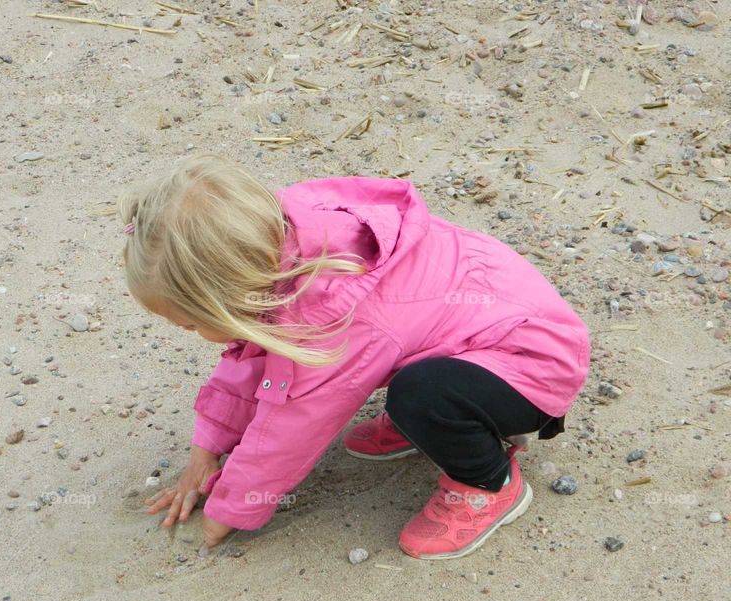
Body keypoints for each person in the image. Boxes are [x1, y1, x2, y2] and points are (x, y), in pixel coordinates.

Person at [118, 153, 590, 560]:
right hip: (481, 339)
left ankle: (488, 481)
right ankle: (432, 422)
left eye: (190, 322)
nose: (189, 332)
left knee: (421, 396)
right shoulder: (281, 246)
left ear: (236, 294)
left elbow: (294, 424)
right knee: (419, 390)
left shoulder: (331, 314)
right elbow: (251, 358)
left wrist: (231, 510)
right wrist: (205, 454)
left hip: (532, 366)